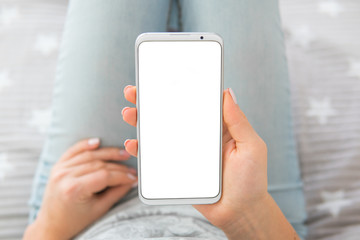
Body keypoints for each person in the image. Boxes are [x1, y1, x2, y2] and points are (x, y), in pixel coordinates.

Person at [24, 0, 307, 239]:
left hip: (84, 209)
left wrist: (49, 227)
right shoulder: (250, 204)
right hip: (255, 213)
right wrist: (250, 211)